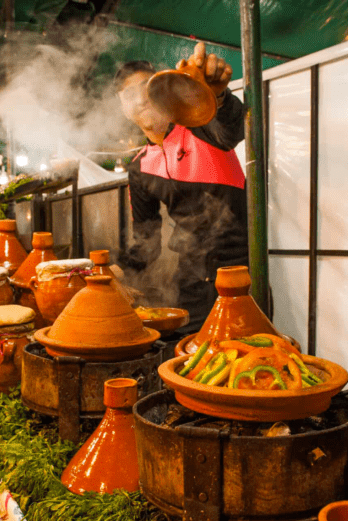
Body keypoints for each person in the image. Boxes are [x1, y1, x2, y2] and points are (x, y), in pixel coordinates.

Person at [116, 42, 247, 334]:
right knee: (184, 363)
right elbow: (146, 243)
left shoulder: (201, 126)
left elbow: (233, 127)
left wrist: (218, 95)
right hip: (190, 282)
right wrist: (115, 272)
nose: (140, 99)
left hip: (240, 274)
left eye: (146, 87)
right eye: (129, 94)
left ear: (161, 91)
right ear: (123, 108)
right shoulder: (138, 168)